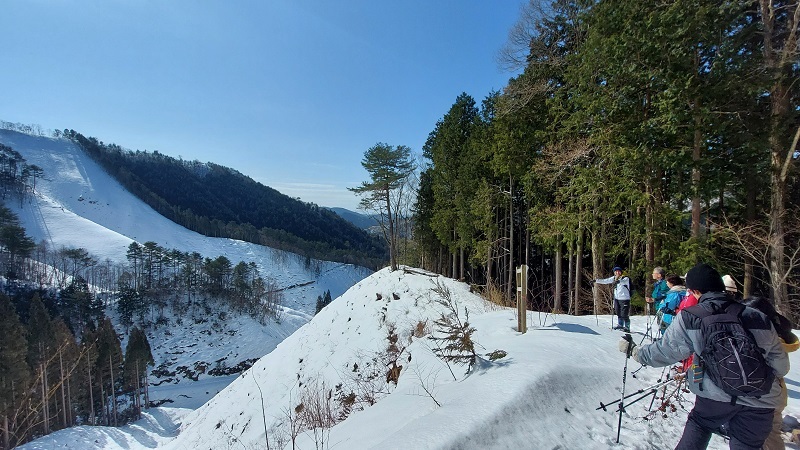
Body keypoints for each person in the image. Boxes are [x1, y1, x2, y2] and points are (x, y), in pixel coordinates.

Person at [617, 263, 789, 450]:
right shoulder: (758, 317)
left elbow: (666, 351)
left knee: (700, 425)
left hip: (714, 398)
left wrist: (635, 352)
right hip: (761, 401)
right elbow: (781, 366)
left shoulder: (692, 317)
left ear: (695, 291)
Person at [745, 297, 799, 450]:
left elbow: (782, 368)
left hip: (768, 395)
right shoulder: (772, 335)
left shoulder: (770, 338)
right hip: (772, 394)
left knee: (769, 436)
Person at [595, 266, 632, 332]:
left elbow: (623, 282)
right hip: (617, 298)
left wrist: (618, 281)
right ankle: (620, 325)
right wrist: (596, 281)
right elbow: (605, 281)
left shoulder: (625, 278)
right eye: (616, 271)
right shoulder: (614, 278)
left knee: (624, 314)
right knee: (618, 312)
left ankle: (627, 327)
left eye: (618, 271)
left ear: (621, 272)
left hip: (624, 299)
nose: (617, 272)